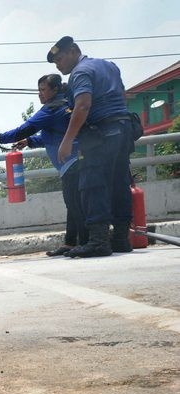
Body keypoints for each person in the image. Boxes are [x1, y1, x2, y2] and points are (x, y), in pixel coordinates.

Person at [0, 74, 86, 256]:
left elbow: (23, 129)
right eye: (38, 90)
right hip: (76, 162)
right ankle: (70, 243)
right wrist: (29, 141)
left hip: (73, 163)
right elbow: (52, 137)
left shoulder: (51, 109)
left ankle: (84, 243)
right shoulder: (65, 105)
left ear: (55, 89)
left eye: (43, 90)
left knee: (76, 205)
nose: (40, 94)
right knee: (73, 204)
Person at [49, 36, 134, 257]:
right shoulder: (109, 66)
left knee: (92, 184)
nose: (58, 65)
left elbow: (83, 105)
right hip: (123, 129)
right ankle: (121, 239)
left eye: (59, 59)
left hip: (101, 133)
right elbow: (121, 96)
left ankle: (98, 242)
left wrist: (67, 141)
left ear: (74, 51)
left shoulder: (80, 72)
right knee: (119, 182)